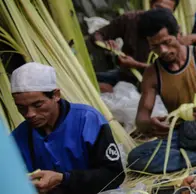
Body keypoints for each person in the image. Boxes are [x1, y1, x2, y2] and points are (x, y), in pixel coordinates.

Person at [127, 9, 196, 192]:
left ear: (178, 33)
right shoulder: (152, 73)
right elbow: (141, 119)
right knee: (137, 158)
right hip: (180, 134)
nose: (162, 51)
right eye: (155, 46)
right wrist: (150, 124)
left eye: (166, 42)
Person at [10, 62, 124, 194]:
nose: (30, 114)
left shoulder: (88, 120)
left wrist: (64, 179)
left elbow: (114, 174)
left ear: (56, 95)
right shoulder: (17, 138)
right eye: (21, 108)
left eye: (38, 105)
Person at [94, 0, 181, 90]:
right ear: (150, 3)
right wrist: (106, 44)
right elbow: (98, 35)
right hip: (124, 76)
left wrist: (135, 64)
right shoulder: (130, 19)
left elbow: (172, 71)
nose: (159, 14)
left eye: (166, 11)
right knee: (90, 80)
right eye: (158, 8)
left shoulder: (173, 31)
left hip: (157, 83)